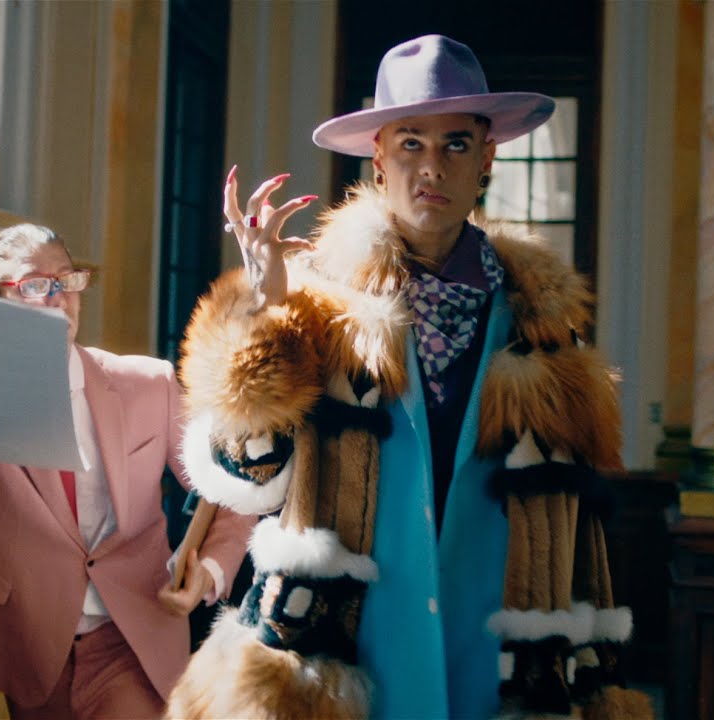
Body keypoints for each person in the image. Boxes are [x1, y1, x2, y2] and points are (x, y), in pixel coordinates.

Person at [164, 34, 655, 720]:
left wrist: (588, 679)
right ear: (378, 158)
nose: (433, 166)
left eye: (456, 144)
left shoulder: (543, 328)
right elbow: (243, 475)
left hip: (491, 658)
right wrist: (266, 315)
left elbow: (577, 536)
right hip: (343, 654)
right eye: (411, 143)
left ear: (487, 158)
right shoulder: (318, 303)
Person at [0, 223, 256, 720]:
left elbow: (231, 487)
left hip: (133, 633)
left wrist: (212, 569)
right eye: (35, 285)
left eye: (66, 280)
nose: (58, 298)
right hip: (31, 638)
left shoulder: (148, 384)